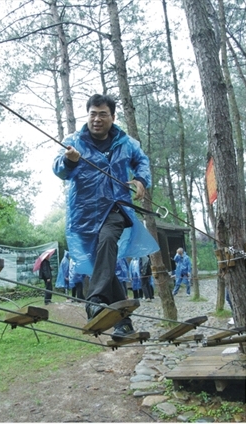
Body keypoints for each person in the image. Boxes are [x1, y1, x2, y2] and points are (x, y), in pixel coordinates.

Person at [53, 94, 159, 341]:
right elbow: (59, 170)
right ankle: (124, 323)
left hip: (115, 207)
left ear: (112, 117)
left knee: (108, 239)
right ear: (88, 115)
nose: (97, 119)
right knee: (104, 265)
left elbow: (142, 161)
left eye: (103, 114)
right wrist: (69, 161)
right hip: (84, 214)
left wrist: (140, 180)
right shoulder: (74, 142)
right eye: (93, 114)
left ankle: (95, 300)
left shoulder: (125, 143)